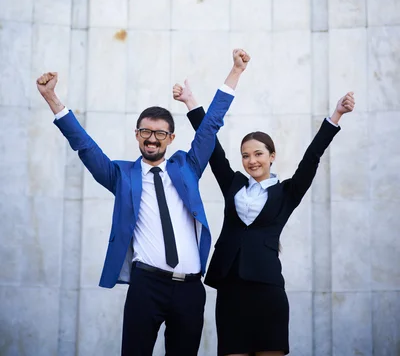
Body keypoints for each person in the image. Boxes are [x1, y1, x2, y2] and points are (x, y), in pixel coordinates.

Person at [36, 48, 250, 356]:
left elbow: (211, 124)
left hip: (190, 288)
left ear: (171, 138)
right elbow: (84, 145)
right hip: (146, 286)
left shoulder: (187, 167)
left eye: (160, 133)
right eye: (145, 132)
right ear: (137, 135)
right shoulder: (121, 176)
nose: (152, 138)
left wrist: (236, 71)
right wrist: (51, 98)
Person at [173, 80, 355, 356]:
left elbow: (312, 155)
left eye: (258, 154)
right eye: (246, 156)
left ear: (272, 156)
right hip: (230, 289)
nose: (251, 161)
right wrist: (190, 103)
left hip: (267, 291)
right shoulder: (233, 183)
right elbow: (212, 148)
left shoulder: (288, 192)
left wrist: (336, 115)